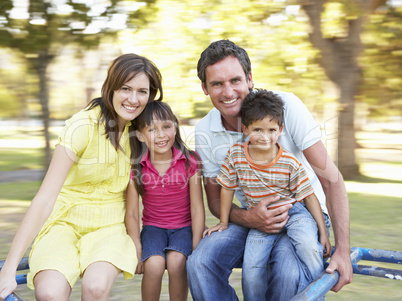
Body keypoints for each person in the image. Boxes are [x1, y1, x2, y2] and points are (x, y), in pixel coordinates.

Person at [187, 39, 353, 301]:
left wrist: (343, 250)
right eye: (217, 84)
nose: (228, 91)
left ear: (249, 79)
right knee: (199, 262)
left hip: (304, 211)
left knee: (287, 272)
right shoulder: (205, 131)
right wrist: (250, 218)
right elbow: (216, 201)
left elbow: (331, 180)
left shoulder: (286, 107)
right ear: (204, 88)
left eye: (235, 80)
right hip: (251, 213)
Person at [0, 53, 163, 301]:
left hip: (109, 226)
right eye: (125, 88)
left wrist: (135, 242)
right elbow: (45, 198)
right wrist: (8, 269)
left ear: (150, 96)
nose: (133, 99)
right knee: (50, 293)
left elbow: (137, 197)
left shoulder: (140, 133)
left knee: (96, 288)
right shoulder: (82, 126)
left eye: (142, 91)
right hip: (64, 222)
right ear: (110, 87)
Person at [203, 89, 332, 300]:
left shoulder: (289, 162)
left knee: (308, 246)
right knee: (252, 270)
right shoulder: (236, 156)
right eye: (257, 130)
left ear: (280, 129)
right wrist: (224, 222)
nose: (265, 137)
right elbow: (226, 188)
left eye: (271, 130)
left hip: (295, 211)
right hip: (260, 217)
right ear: (245, 128)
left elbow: (309, 196)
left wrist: (323, 233)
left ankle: (317, 290)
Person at [125, 101, 205, 301]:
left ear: (175, 128)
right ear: (141, 136)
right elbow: (132, 213)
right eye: (152, 129)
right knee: (154, 263)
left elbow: (197, 208)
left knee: (177, 261)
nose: (161, 135)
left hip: (184, 228)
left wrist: (197, 246)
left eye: (166, 127)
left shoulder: (190, 161)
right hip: (153, 228)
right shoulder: (137, 167)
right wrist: (136, 246)